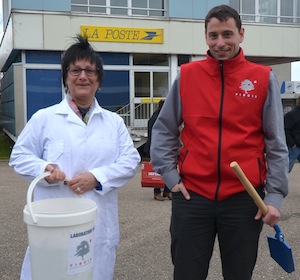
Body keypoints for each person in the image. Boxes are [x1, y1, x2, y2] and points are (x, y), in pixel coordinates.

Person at [150, 5, 288, 280]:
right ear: (205, 37)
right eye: (213, 35)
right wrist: (170, 176)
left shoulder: (262, 78)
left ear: (241, 34)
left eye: (227, 34)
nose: (220, 42)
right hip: (192, 196)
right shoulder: (188, 75)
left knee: (239, 274)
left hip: (244, 198)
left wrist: (273, 197)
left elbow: (276, 142)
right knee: (187, 273)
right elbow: (164, 128)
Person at [9, 35, 140, 280]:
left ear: (99, 79)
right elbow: (19, 156)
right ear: (66, 78)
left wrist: (96, 177)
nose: (83, 76)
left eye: (90, 71)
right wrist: (45, 168)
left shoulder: (114, 122)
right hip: (54, 222)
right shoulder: (44, 118)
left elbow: (130, 161)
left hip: (98, 223)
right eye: (75, 70)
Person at [143, 100, 172, 201]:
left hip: (166, 146)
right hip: (156, 147)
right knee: (157, 170)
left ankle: (167, 191)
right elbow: (154, 135)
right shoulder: (155, 118)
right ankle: (157, 192)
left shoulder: (164, 117)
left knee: (168, 169)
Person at [284, 95, 300, 172]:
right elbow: (286, 130)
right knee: (286, 168)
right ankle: (278, 183)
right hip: (294, 146)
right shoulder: (291, 115)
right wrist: (292, 144)